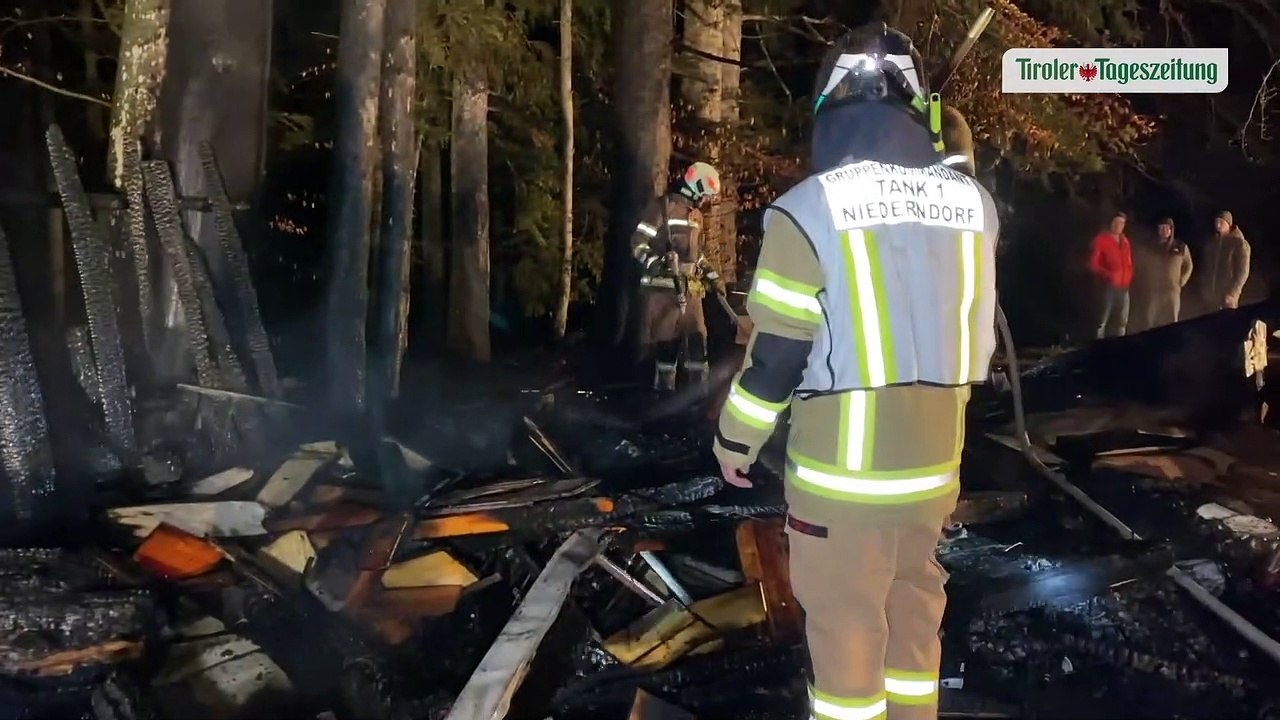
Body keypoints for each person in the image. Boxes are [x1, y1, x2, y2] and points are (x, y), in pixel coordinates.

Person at [713, 22, 1000, 720]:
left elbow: (777, 356)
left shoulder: (808, 212)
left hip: (844, 485)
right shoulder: (974, 207)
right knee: (912, 618)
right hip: (934, 475)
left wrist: (734, 441)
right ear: (919, 105)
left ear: (829, 104)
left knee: (847, 635)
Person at [630, 161, 724, 391]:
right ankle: (664, 398)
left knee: (697, 345)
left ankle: (697, 399)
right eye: (705, 193)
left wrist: (713, 276)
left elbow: (697, 256)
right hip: (663, 293)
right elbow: (637, 243)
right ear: (696, 187)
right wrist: (655, 262)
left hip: (690, 292)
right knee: (667, 348)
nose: (706, 199)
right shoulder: (662, 208)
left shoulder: (695, 216)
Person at [1137, 218, 1192, 330]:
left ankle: (1171, 344)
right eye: (1161, 228)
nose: (1164, 230)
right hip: (1155, 290)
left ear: (1171, 230)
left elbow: (1189, 265)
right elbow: (1144, 263)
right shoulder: (1152, 246)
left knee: (1172, 320)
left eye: (1166, 228)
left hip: (1172, 290)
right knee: (1150, 319)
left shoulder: (1180, 246)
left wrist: (1182, 280)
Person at [1088, 212, 1134, 338]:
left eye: (1122, 223)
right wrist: (1108, 275)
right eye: (1116, 222)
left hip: (1124, 287)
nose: (1119, 225)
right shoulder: (1101, 240)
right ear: (1111, 223)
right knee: (1101, 321)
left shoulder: (1125, 242)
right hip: (1108, 287)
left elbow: (1129, 262)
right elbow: (1092, 264)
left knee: (1122, 321)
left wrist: (1129, 276)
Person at [1200, 210, 1251, 311]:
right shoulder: (1212, 243)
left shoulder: (1239, 244)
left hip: (1228, 296)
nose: (1218, 225)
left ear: (1229, 224)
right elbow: (1206, 268)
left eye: (1221, 222)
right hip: (1211, 295)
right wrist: (1205, 289)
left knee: (1227, 323)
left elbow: (1243, 272)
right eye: (1216, 222)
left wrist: (1233, 292)